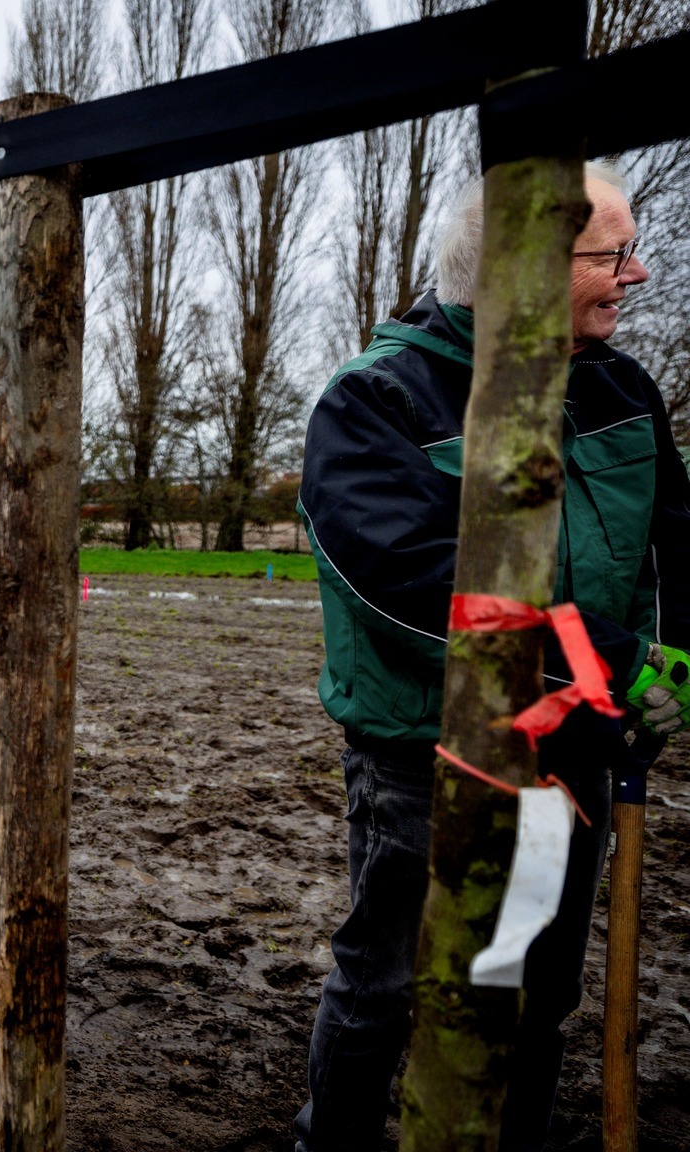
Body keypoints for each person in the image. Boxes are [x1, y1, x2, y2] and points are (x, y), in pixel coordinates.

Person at [294, 162, 690, 1152]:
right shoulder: (377, 401)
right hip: (426, 763)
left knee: (532, 985)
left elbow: (674, 543)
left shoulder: (621, 388)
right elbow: (418, 591)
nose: (635, 275)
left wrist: (673, 657)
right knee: (390, 984)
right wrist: (607, 664)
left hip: (570, 759)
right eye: (611, 255)